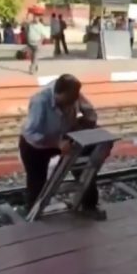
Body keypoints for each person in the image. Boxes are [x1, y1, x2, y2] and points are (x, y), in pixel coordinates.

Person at [19, 74, 105, 219]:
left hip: (65, 137)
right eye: (66, 102)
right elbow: (30, 134)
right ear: (58, 94)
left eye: (73, 101)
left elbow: (90, 112)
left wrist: (86, 123)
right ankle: (33, 211)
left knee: (85, 171)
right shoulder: (40, 101)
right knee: (37, 180)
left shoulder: (73, 94)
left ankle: (89, 205)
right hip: (37, 144)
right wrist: (56, 143)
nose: (69, 105)